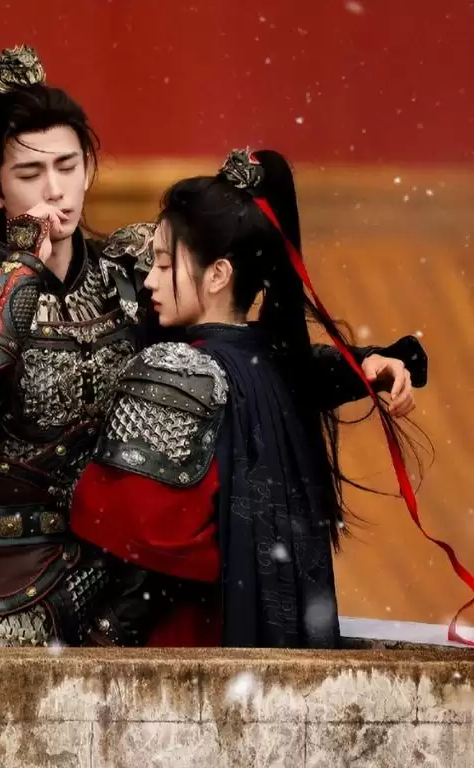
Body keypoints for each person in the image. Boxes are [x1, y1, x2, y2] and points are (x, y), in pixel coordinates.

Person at [0, 47, 426, 648]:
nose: (54, 191)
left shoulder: (131, 272)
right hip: (4, 598)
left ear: (88, 169)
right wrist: (22, 269)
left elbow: (232, 364)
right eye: (29, 175)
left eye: (67, 166)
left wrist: (358, 366)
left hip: (136, 591)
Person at [70, 149, 429, 648]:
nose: (149, 279)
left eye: (164, 263)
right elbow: (309, 363)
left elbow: (147, 542)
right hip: (278, 633)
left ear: (218, 274)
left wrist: (103, 637)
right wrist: (374, 361)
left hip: (190, 647)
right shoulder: (275, 366)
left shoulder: (177, 371)